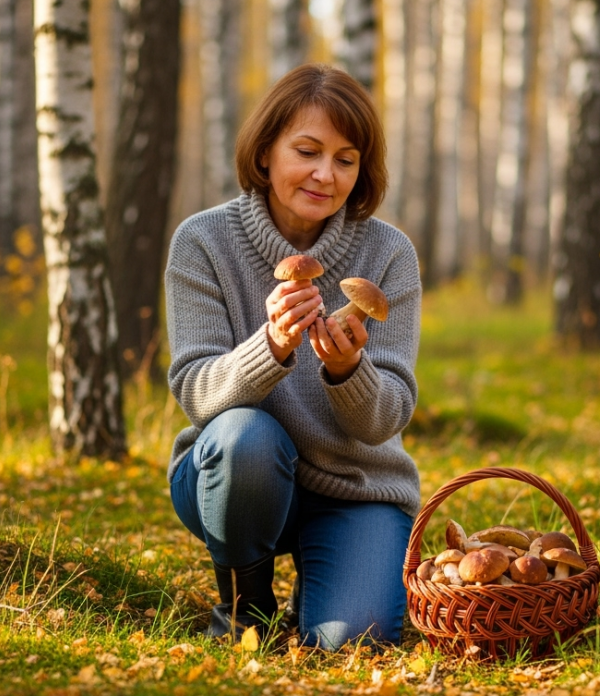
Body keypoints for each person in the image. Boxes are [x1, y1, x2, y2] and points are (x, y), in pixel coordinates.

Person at [164, 63, 421, 649]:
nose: (325, 174)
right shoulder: (202, 242)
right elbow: (197, 393)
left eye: (345, 160)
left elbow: (386, 419)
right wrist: (272, 346)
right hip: (235, 476)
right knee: (244, 437)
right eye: (307, 151)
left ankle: (323, 586)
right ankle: (245, 606)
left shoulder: (389, 254)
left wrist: (347, 371)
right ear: (265, 153)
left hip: (355, 485)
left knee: (354, 640)